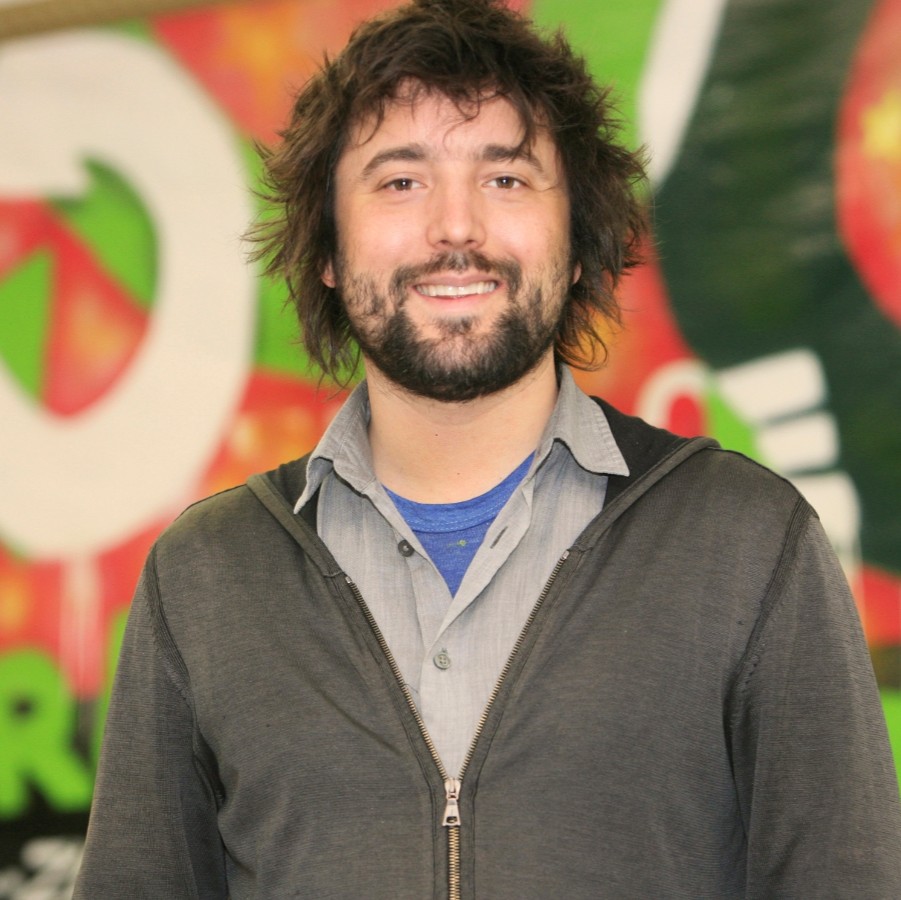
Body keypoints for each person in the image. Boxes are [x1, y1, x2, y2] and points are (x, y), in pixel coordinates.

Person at [74, 0, 901, 897]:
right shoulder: (205, 576)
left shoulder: (745, 542)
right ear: (327, 249)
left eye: (505, 178)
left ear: (577, 242)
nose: (455, 227)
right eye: (400, 181)